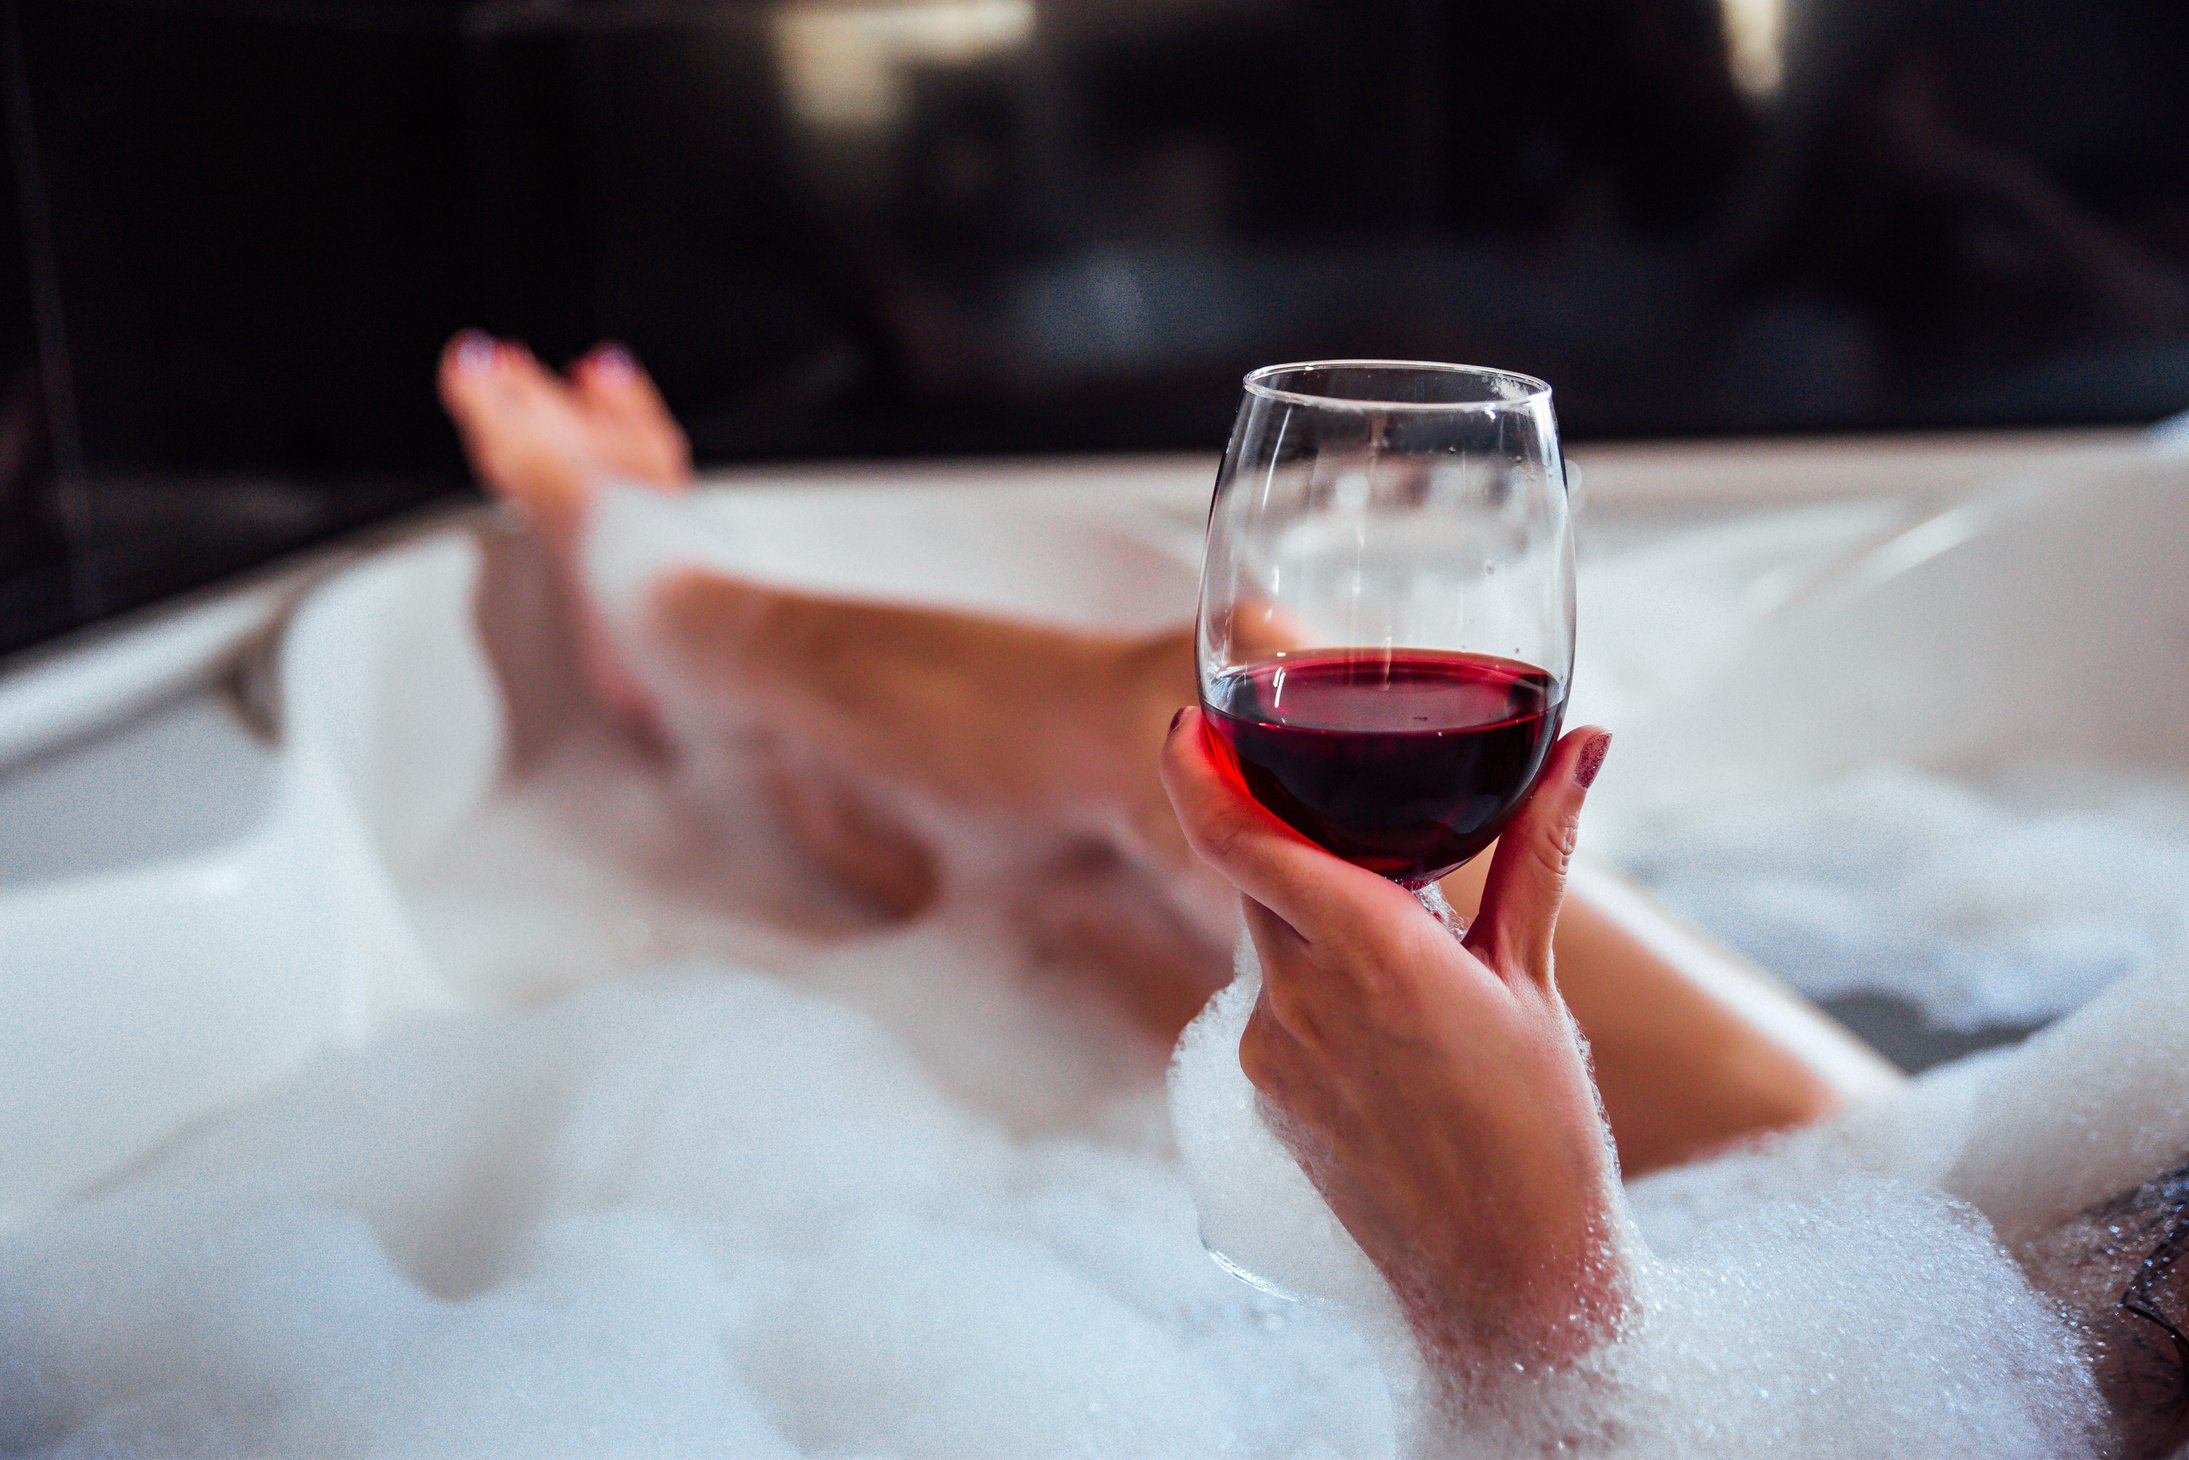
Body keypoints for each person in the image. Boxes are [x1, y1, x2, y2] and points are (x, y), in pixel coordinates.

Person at [436, 332, 2189, 1448]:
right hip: (1937, 1216)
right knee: (1193, 705)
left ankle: (707, 656)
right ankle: (687, 625)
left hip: (1860, 1365)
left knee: (1162, 861)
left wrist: (1537, 1319)